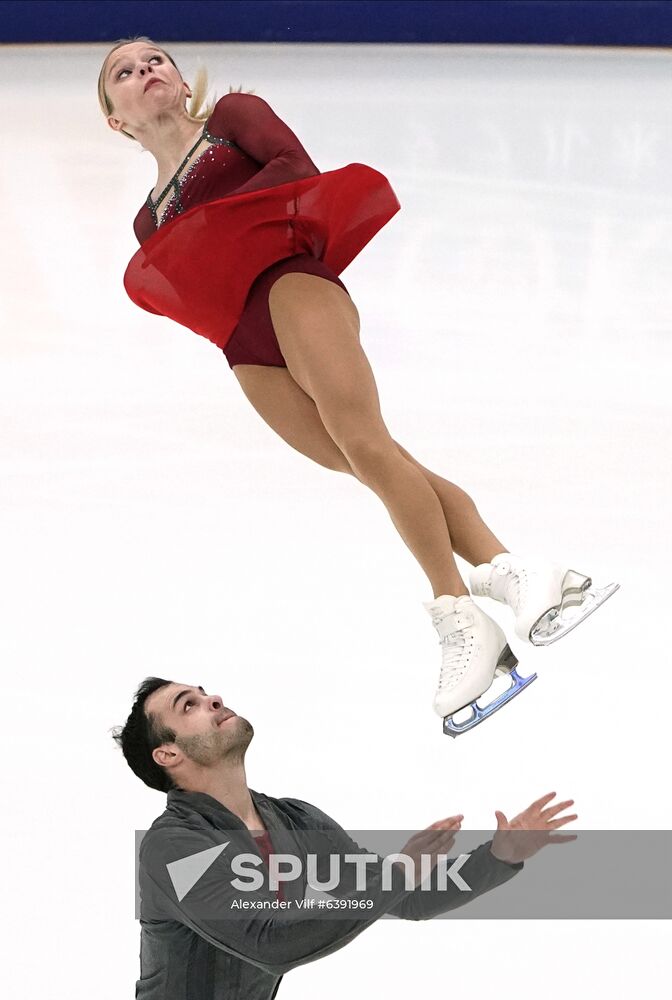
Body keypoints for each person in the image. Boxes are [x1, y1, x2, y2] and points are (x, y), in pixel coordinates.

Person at [99, 38, 619, 733]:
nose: (147, 72)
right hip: (245, 347)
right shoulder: (147, 220)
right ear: (116, 118)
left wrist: (214, 224)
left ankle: (458, 614)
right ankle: (516, 573)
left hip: (291, 286)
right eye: (125, 74)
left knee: (369, 446)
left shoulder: (231, 116)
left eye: (155, 59)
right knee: (375, 463)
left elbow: (294, 169)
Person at [113, 676, 578, 999]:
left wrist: (498, 856)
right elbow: (269, 945)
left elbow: (407, 899)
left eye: (204, 692)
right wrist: (394, 875)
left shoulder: (293, 821)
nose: (212, 699)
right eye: (188, 705)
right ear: (168, 753)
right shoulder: (174, 849)